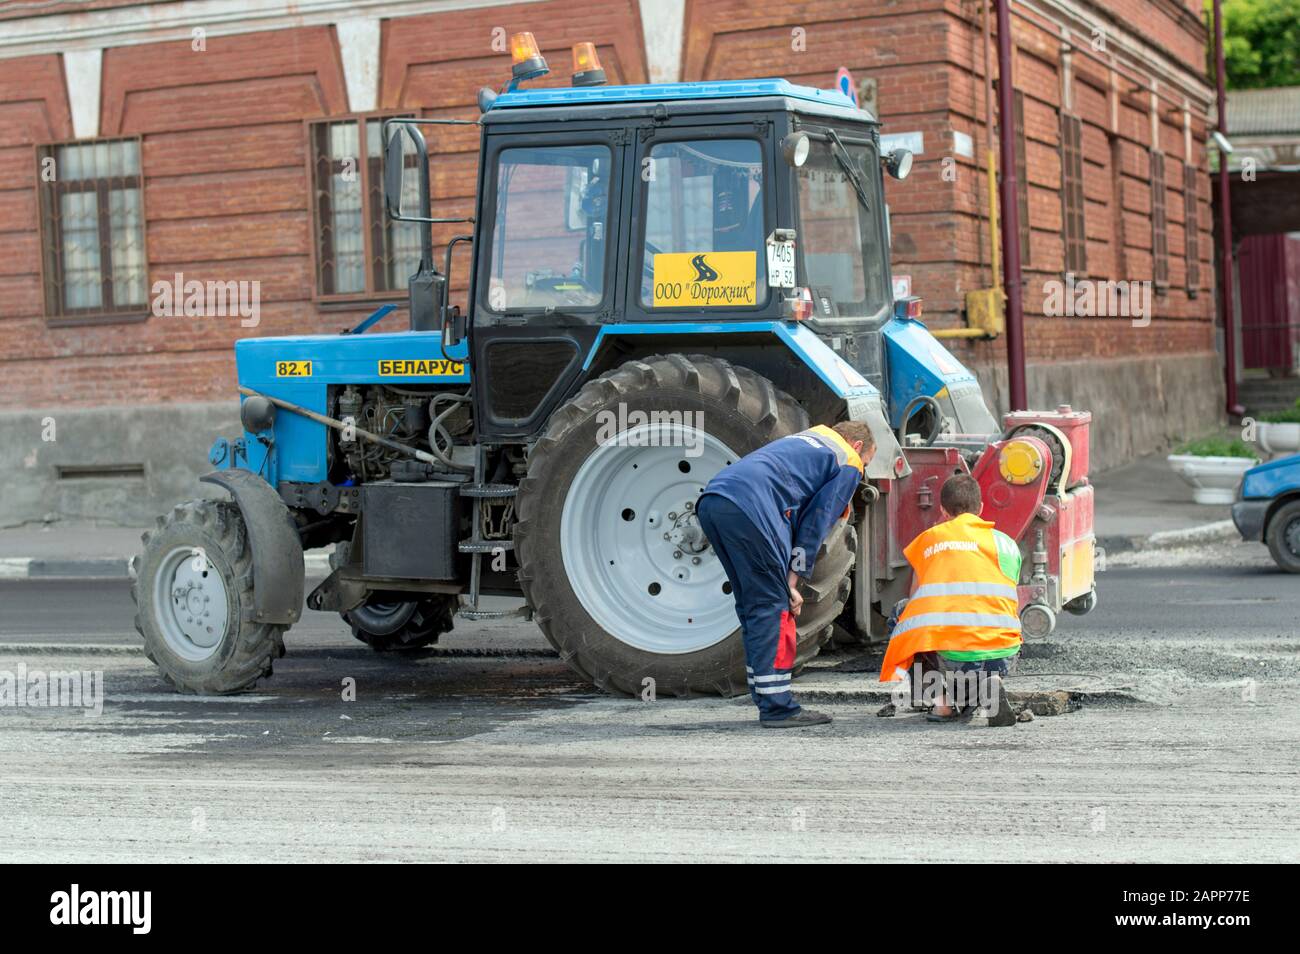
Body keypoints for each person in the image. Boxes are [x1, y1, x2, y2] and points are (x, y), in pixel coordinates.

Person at [696, 421, 875, 727]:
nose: (862, 471)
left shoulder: (810, 438)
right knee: (773, 607)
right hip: (751, 509)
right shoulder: (848, 459)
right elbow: (816, 522)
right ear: (857, 446)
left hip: (713, 500)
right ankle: (778, 708)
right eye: (867, 463)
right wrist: (792, 583)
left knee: (753, 605)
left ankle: (764, 694)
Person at [878, 475, 1022, 727]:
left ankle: (941, 702)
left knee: (903, 612)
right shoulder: (1007, 544)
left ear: (943, 510)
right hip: (1005, 652)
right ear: (980, 508)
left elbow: (916, 601)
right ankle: (990, 683)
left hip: (956, 655)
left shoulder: (930, 540)